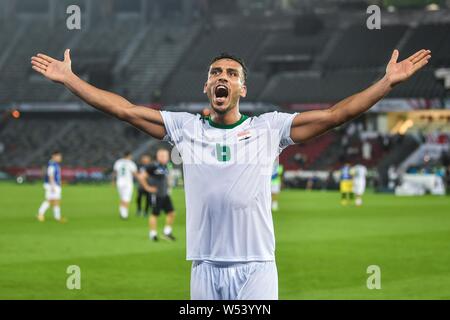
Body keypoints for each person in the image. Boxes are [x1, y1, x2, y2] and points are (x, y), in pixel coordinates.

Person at [31, 47, 431, 300]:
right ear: (207, 86)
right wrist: (70, 80)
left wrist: (386, 83)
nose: (222, 77)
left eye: (231, 73)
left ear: (242, 87)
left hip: (256, 266)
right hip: (204, 266)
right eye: (216, 72)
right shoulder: (185, 128)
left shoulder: (269, 128)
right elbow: (123, 109)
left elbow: (335, 115)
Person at [140, 148, 176, 241]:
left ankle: (167, 232)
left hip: (165, 194)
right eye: (162, 156)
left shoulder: (166, 166)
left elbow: (166, 178)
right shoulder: (152, 166)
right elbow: (142, 177)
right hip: (156, 194)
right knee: (155, 214)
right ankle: (153, 234)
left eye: (166, 156)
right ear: (158, 156)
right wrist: (147, 187)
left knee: (171, 213)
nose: (165, 157)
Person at [112, 151, 155, 220]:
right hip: (127, 182)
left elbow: (114, 172)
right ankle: (124, 214)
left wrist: (113, 181)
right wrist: (142, 179)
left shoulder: (118, 162)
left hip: (119, 182)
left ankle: (122, 211)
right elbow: (135, 174)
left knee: (122, 198)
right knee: (126, 198)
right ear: (129, 156)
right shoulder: (131, 163)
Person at [37, 151, 66, 223]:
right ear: (54, 156)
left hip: (55, 185)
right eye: (58, 156)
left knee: (55, 201)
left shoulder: (55, 164)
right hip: (52, 185)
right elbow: (51, 175)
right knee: (50, 200)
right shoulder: (52, 165)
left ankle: (57, 217)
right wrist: (53, 186)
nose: (60, 158)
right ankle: (40, 214)